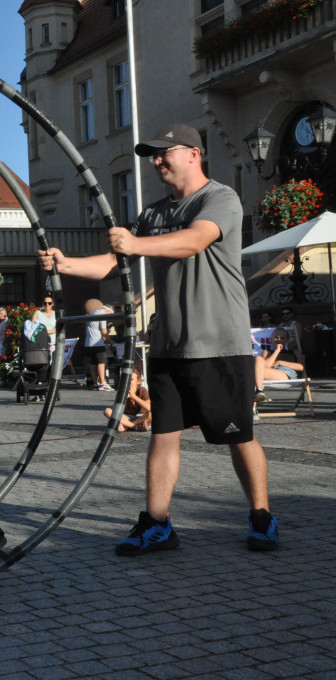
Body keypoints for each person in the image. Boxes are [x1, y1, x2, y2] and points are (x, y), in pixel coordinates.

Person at [38, 122, 279, 555]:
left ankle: (261, 516)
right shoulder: (153, 214)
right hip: (169, 342)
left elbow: (194, 241)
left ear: (194, 153)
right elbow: (114, 262)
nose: (156, 161)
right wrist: (65, 263)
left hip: (219, 342)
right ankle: (157, 523)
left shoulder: (220, 198)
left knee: (238, 434)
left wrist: (136, 245)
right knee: (163, 434)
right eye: (153, 154)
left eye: (165, 152)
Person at [253, 328, 304, 405]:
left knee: (252, 373)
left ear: (287, 339)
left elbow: (301, 367)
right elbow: (265, 366)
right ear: (271, 339)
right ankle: (259, 392)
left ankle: (253, 404)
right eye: (276, 338)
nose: (279, 340)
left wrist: (279, 362)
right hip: (268, 374)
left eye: (282, 338)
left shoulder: (294, 351)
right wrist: (277, 351)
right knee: (258, 359)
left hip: (287, 374)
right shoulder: (267, 352)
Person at [83, 298, 113, 391]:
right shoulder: (102, 315)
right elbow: (104, 332)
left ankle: (95, 383)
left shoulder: (92, 313)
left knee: (93, 364)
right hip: (97, 344)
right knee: (101, 362)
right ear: (108, 311)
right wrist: (111, 341)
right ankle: (103, 383)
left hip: (88, 343)